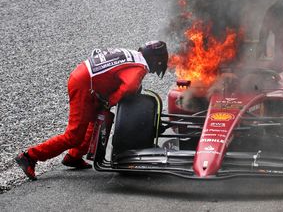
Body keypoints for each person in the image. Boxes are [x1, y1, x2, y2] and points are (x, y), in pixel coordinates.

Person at [15, 41, 169, 181]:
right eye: (158, 64)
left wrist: (106, 102)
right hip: (84, 85)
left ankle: (74, 157)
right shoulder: (139, 68)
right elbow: (128, 87)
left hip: (86, 79)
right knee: (73, 136)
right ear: (155, 60)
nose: (155, 70)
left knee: (100, 117)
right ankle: (29, 157)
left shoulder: (134, 56)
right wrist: (110, 101)